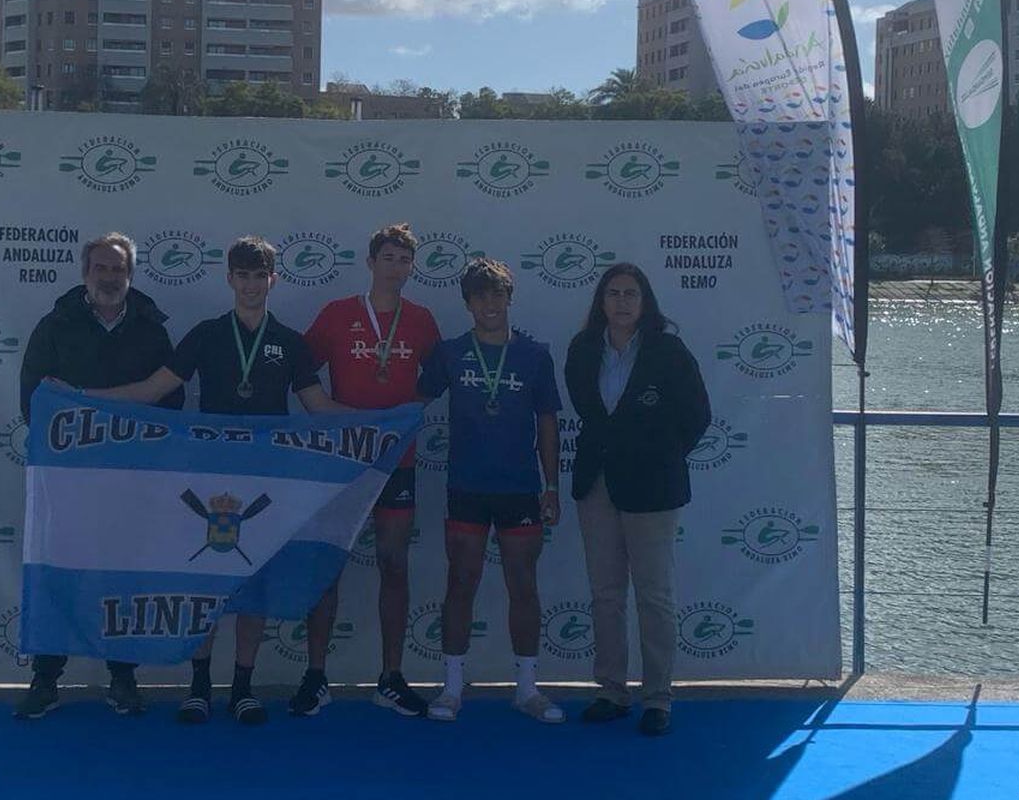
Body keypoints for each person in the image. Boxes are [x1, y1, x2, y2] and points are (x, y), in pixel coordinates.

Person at [92, 236, 346, 726]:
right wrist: (85, 395)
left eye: (260, 276)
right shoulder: (206, 334)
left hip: (267, 483)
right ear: (229, 278)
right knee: (206, 583)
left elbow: (320, 408)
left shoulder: (291, 342)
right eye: (243, 275)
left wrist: (386, 419)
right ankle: (200, 686)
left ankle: (244, 688)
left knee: (254, 582)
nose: (251, 285)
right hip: (210, 481)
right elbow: (154, 389)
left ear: (273, 280)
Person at [14, 232, 184, 721]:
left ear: (130, 274)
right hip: (68, 478)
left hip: (131, 476)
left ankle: (123, 678)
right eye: (100, 269)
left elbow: (170, 403)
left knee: (125, 578)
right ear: (84, 273)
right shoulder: (55, 325)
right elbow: (32, 403)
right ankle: (45, 679)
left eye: (118, 269)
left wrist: (93, 404)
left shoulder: (152, 329)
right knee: (57, 576)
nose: (109, 277)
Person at [291, 223, 441, 718]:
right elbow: (299, 367)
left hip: (396, 463)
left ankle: (391, 678)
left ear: (412, 268)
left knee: (394, 565)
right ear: (371, 261)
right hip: (342, 463)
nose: (396, 267)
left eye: (405, 260)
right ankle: (315, 677)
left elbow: (436, 379)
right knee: (326, 568)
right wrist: (324, 410)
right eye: (389, 257)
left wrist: (407, 416)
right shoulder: (338, 315)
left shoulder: (420, 320)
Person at [563, 262, 710, 737]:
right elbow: (586, 410)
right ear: (600, 302)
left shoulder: (668, 351)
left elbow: (696, 417)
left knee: (654, 595)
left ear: (645, 302)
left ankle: (658, 697)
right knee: (605, 594)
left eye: (631, 293)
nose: (622, 301)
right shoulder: (583, 349)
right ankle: (610, 690)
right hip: (598, 484)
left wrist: (661, 458)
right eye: (613, 293)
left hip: (653, 487)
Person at [417, 257, 564, 724]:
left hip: (520, 488)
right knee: (460, 583)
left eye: (497, 294)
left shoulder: (536, 355)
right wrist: (367, 431)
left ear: (509, 298)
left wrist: (552, 485)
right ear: (467, 304)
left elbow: (547, 422)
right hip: (467, 487)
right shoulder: (449, 353)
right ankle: (452, 687)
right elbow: (413, 405)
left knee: (524, 585)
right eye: (480, 296)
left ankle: (526, 688)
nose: (489, 304)